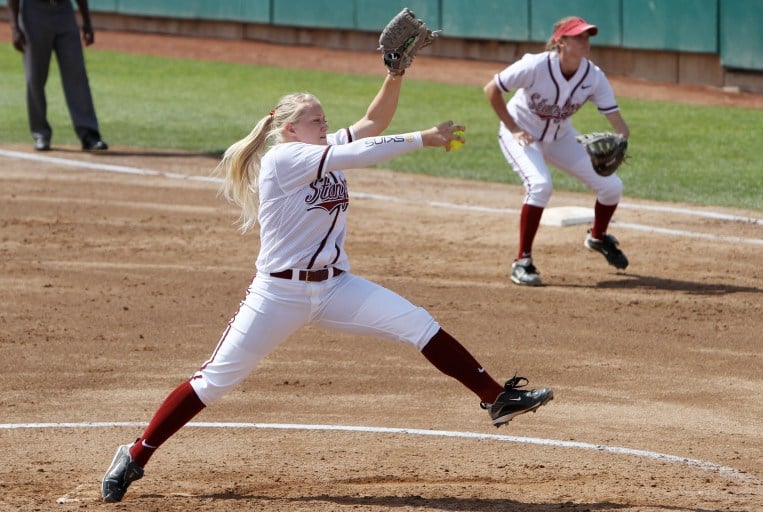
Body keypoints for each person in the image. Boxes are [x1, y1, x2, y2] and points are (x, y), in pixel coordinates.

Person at [99, 72, 554, 502]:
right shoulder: (284, 158)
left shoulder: (319, 146)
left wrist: (393, 75)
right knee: (215, 381)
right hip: (277, 295)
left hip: (336, 288)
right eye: (316, 119)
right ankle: (136, 454)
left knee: (417, 324)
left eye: (324, 119)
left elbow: (374, 123)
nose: (326, 124)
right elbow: (356, 152)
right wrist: (424, 137)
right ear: (290, 129)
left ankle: (497, 397)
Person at [483, 16, 630, 286]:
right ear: (561, 42)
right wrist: (513, 127)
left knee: (611, 187)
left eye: (587, 37)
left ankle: (598, 237)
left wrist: (622, 139)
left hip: (561, 138)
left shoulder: (593, 76)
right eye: (579, 37)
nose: (586, 42)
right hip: (522, 134)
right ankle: (522, 261)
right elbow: (492, 89)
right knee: (540, 185)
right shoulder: (536, 65)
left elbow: (618, 121)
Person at [8, 0, 108, 151]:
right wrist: (15, 27)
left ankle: (89, 134)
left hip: (64, 11)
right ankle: (41, 134)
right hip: (35, 12)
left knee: (77, 74)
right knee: (35, 77)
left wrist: (87, 22)